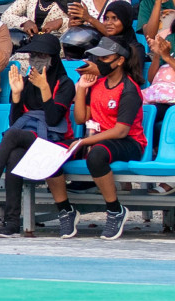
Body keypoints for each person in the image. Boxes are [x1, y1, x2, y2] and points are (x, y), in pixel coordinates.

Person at [0, 33, 75, 236]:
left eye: (41, 56)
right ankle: (12, 223)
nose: (35, 61)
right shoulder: (26, 82)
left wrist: (45, 88)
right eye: (32, 56)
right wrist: (16, 95)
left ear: (53, 58)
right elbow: (16, 122)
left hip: (54, 140)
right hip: (29, 137)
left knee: (12, 136)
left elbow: (53, 119)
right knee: (14, 155)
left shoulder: (65, 83)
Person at [47, 40, 147, 240]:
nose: (99, 62)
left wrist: (84, 142)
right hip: (96, 138)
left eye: (105, 58)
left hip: (130, 143)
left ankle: (115, 210)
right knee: (53, 152)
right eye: (97, 58)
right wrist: (82, 88)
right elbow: (80, 118)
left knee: (98, 155)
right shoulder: (97, 84)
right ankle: (66, 210)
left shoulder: (129, 89)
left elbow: (120, 131)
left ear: (119, 61)